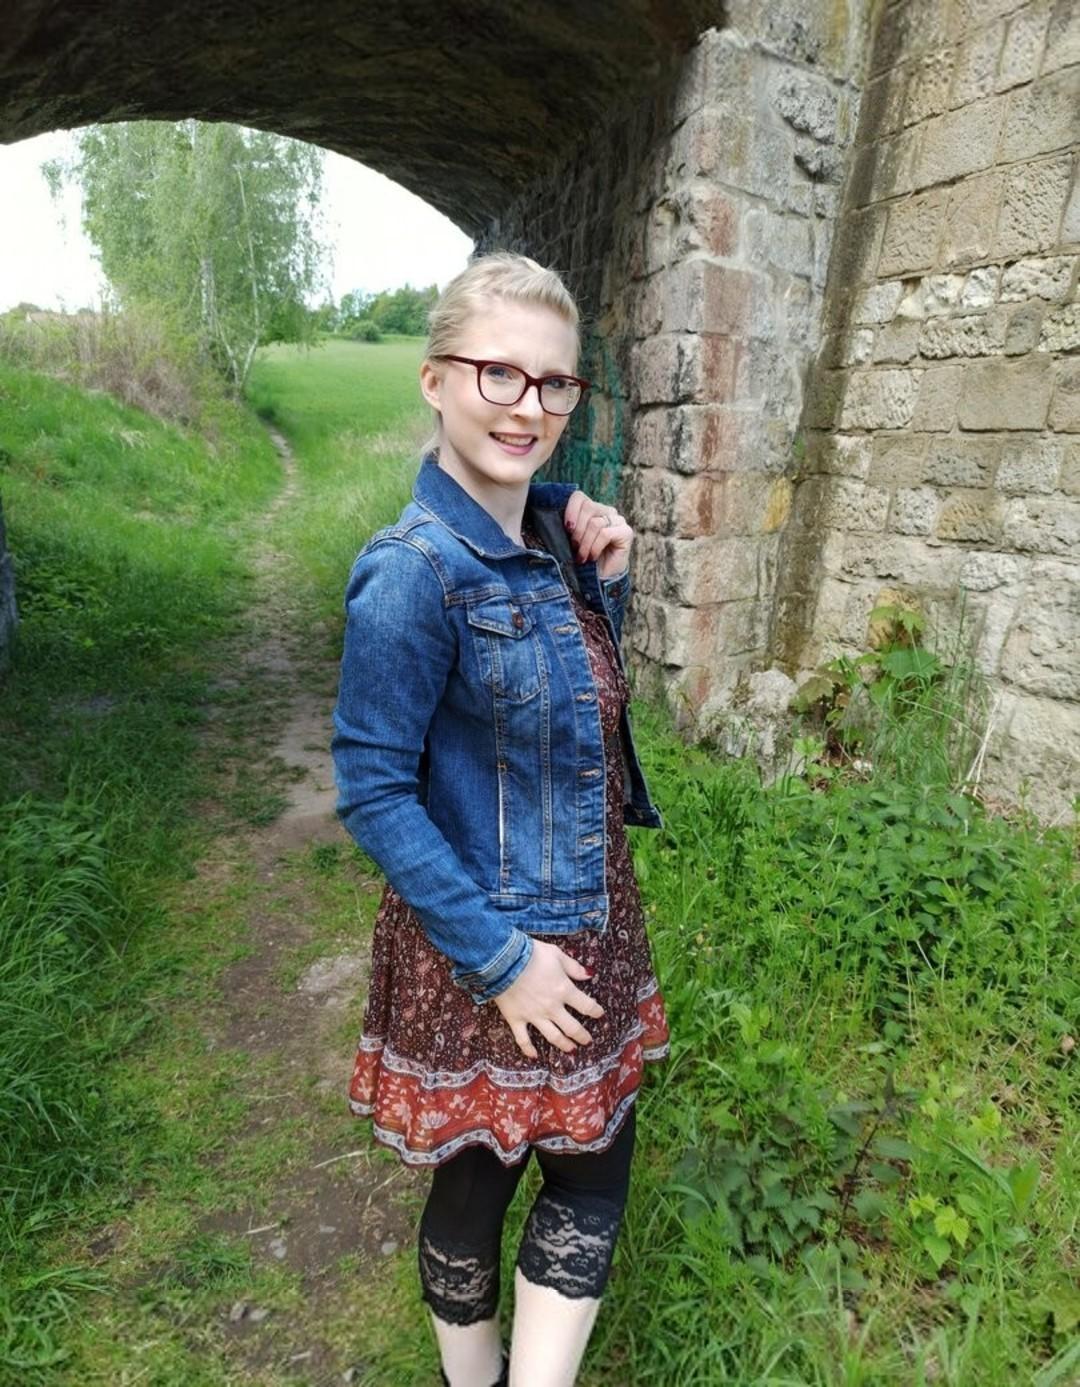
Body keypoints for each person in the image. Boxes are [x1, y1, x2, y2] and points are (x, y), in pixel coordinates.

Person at [331, 251, 670, 1387]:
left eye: (554, 382)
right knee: (482, 1176)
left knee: (589, 1166)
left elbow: (563, 716)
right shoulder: (410, 574)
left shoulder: (556, 540)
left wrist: (604, 573)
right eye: (499, 375)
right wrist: (503, 961)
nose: (529, 407)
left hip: (593, 916)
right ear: (435, 379)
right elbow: (373, 788)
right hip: (486, 938)